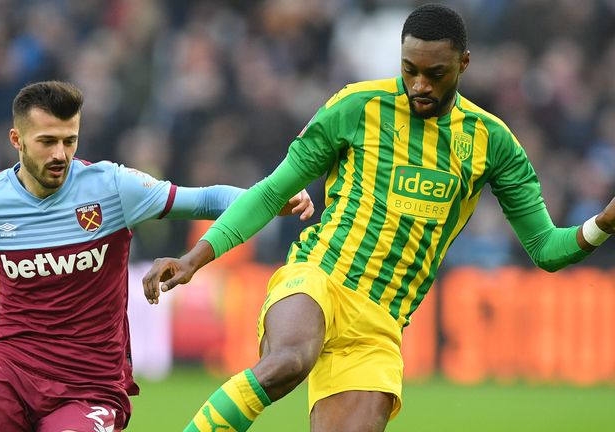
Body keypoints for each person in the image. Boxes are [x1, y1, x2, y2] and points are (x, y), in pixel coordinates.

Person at [142, 4, 615, 432]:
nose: (419, 85)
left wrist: (604, 224)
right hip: (318, 278)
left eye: (435, 73)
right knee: (290, 359)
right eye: (409, 70)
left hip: (379, 327)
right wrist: (193, 259)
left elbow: (546, 249)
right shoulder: (356, 107)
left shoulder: (493, 143)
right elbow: (270, 193)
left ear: (464, 65)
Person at [0, 80, 313, 432]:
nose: (61, 154)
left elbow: (206, 199)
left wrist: (273, 197)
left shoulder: (112, 187)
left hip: (91, 380)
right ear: (16, 140)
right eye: (47, 141)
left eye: (69, 140)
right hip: (12, 365)